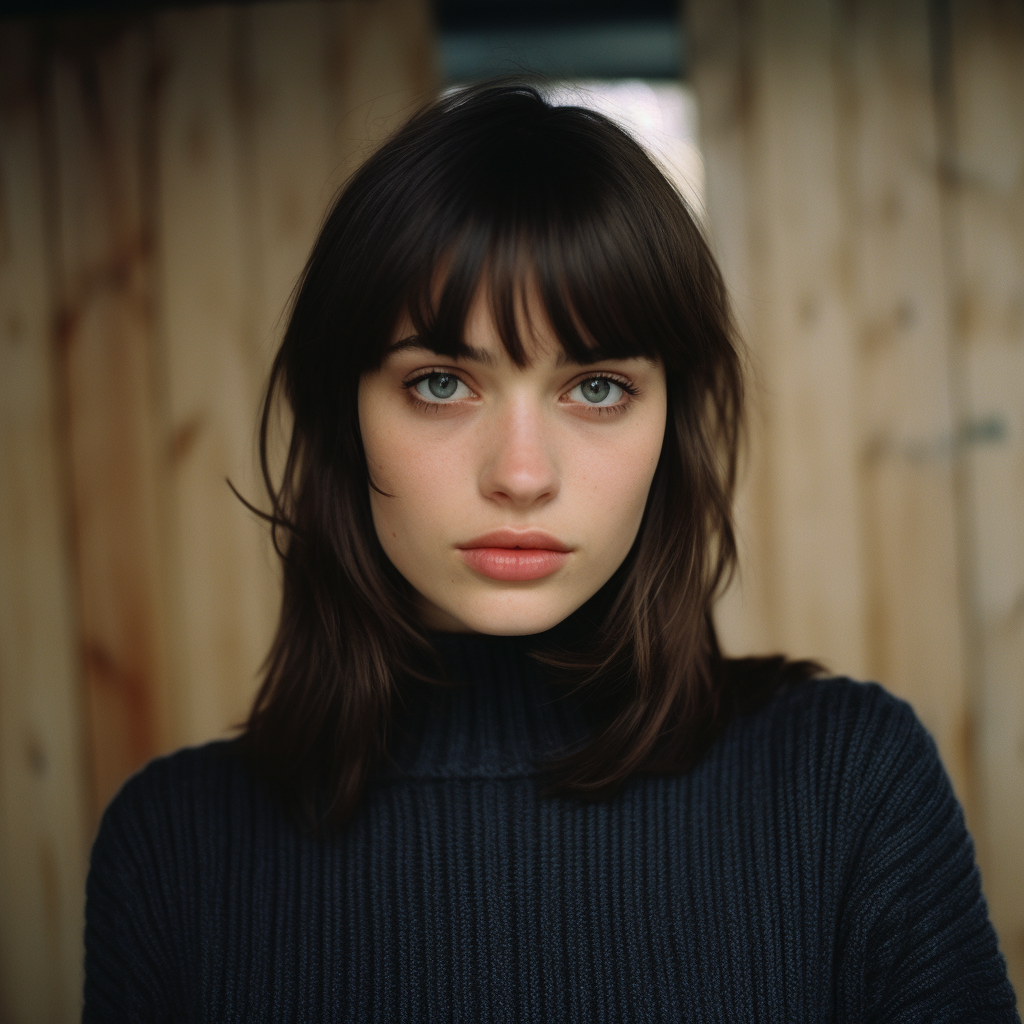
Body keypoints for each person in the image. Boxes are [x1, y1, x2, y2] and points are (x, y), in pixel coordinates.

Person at [83, 82, 1019, 1022]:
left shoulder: (849, 789)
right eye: (443, 382)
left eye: (599, 387)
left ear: (672, 426)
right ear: (344, 413)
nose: (522, 476)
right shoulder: (170, 851)